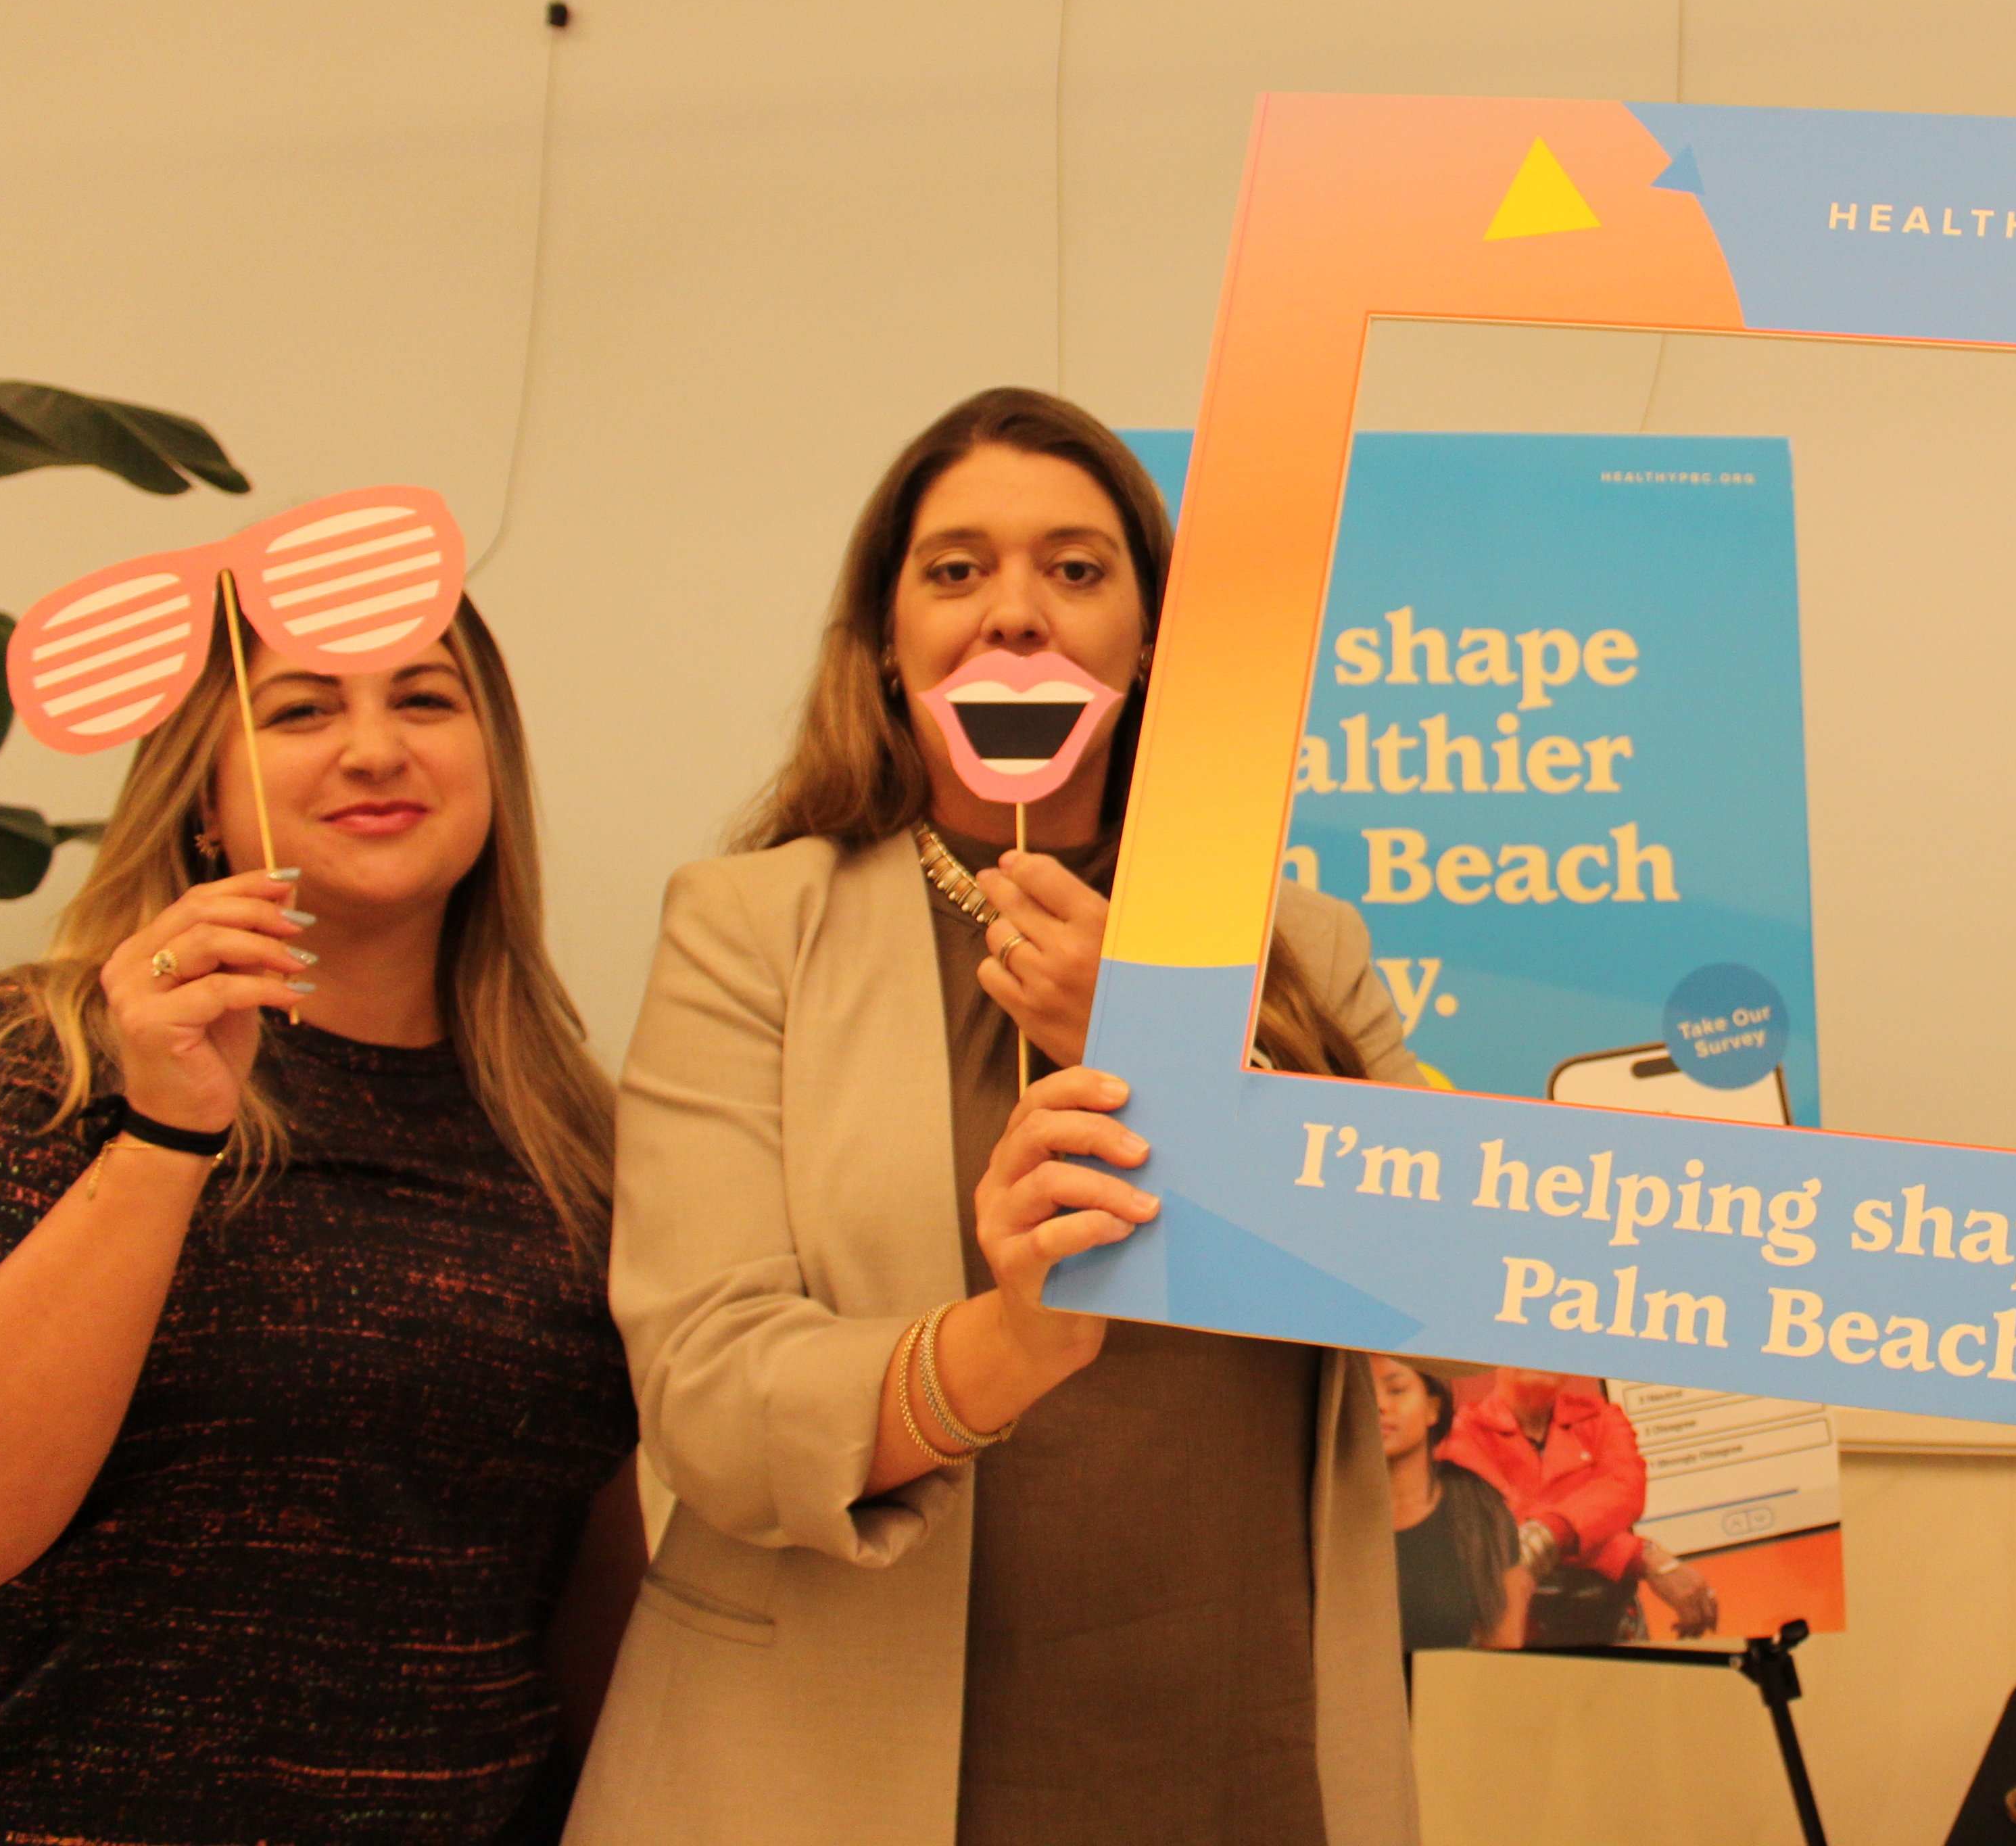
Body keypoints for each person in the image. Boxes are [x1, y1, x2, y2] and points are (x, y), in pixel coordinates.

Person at [570, 388, 1422, 1846]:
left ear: (1147, 639)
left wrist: (1163, 1054)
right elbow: (707, 1397)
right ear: (887, 643)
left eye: (1077, 570)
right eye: (955, 570)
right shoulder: (744, 928)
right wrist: (1002, 1350)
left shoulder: (1298, 945)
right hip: (830, 1762)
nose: (1013, 613)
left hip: (1238, 1734)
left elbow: (1442, 1274)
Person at [0, 600, 643, 1844]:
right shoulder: (51, 1061)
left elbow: (578, 1565)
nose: (374, 748)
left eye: (425, 698)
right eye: (301, 708)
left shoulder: (578, 1134)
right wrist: (169, 1129)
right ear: (201, 793)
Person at [1438, 1368, 1720, 1643]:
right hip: (1520, 1627)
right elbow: (1508, 1524)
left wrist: (1548, 1534)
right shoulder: (1461, 1432)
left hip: (1615, 1620)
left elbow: (1625, 1490)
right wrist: (1640, 1555)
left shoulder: (1602, 1417)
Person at [1375, 1357, 1528, 1653]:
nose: (1379, 1405)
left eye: (1396, 1390)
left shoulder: (1479, 1508)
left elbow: (1503, 1641)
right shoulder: (1327, 1514)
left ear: (1433, 1408)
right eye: (1365, 1395)